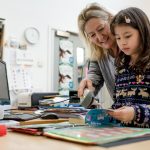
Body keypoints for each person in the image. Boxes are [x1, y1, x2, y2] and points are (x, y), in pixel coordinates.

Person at [108, 7, 150, 128]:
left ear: (142, 32)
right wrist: (109, 113)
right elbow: (118, 104)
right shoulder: (120, 69)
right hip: (125, 137)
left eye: (127, 36)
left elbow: (132, 112)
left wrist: (134, 113)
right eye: (118, 38)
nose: (122, 43)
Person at [77, 3, 118, 102]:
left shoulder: (132, 48)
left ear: (111, 19)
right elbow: (94, 75)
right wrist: (88, 84)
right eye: (92, 35)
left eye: (101, 29)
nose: (100, 37)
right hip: (122, 113)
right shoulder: (98, 56)